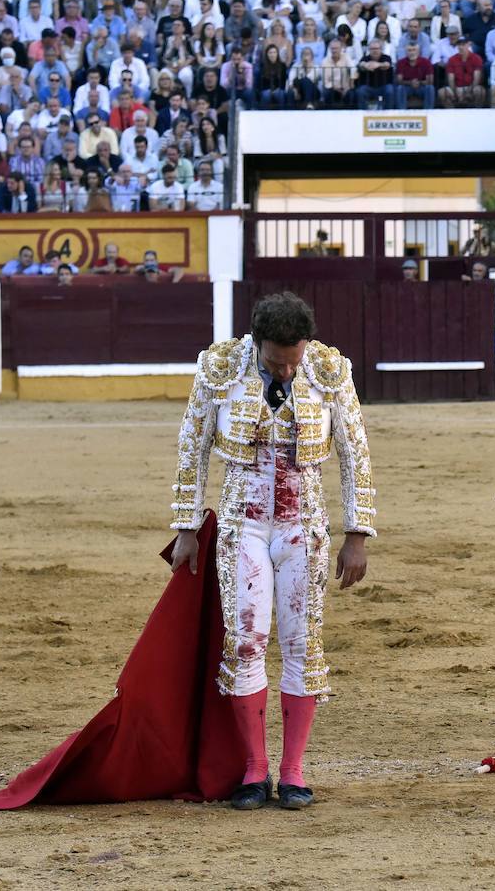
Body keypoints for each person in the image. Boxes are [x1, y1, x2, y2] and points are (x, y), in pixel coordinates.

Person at [168, 292, 375, 811]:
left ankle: (294, 770)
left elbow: (355, 452)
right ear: (256, 343)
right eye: (277, 359)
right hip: (243, 523)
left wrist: (357, 534)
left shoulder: (328, 369)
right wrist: (188, 527)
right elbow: (191, 447)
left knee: (303, 644)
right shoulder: (219, 368)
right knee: (245, 643)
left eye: (295, 357)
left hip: (304, 524)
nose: (287, 368)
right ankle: (255, 771)